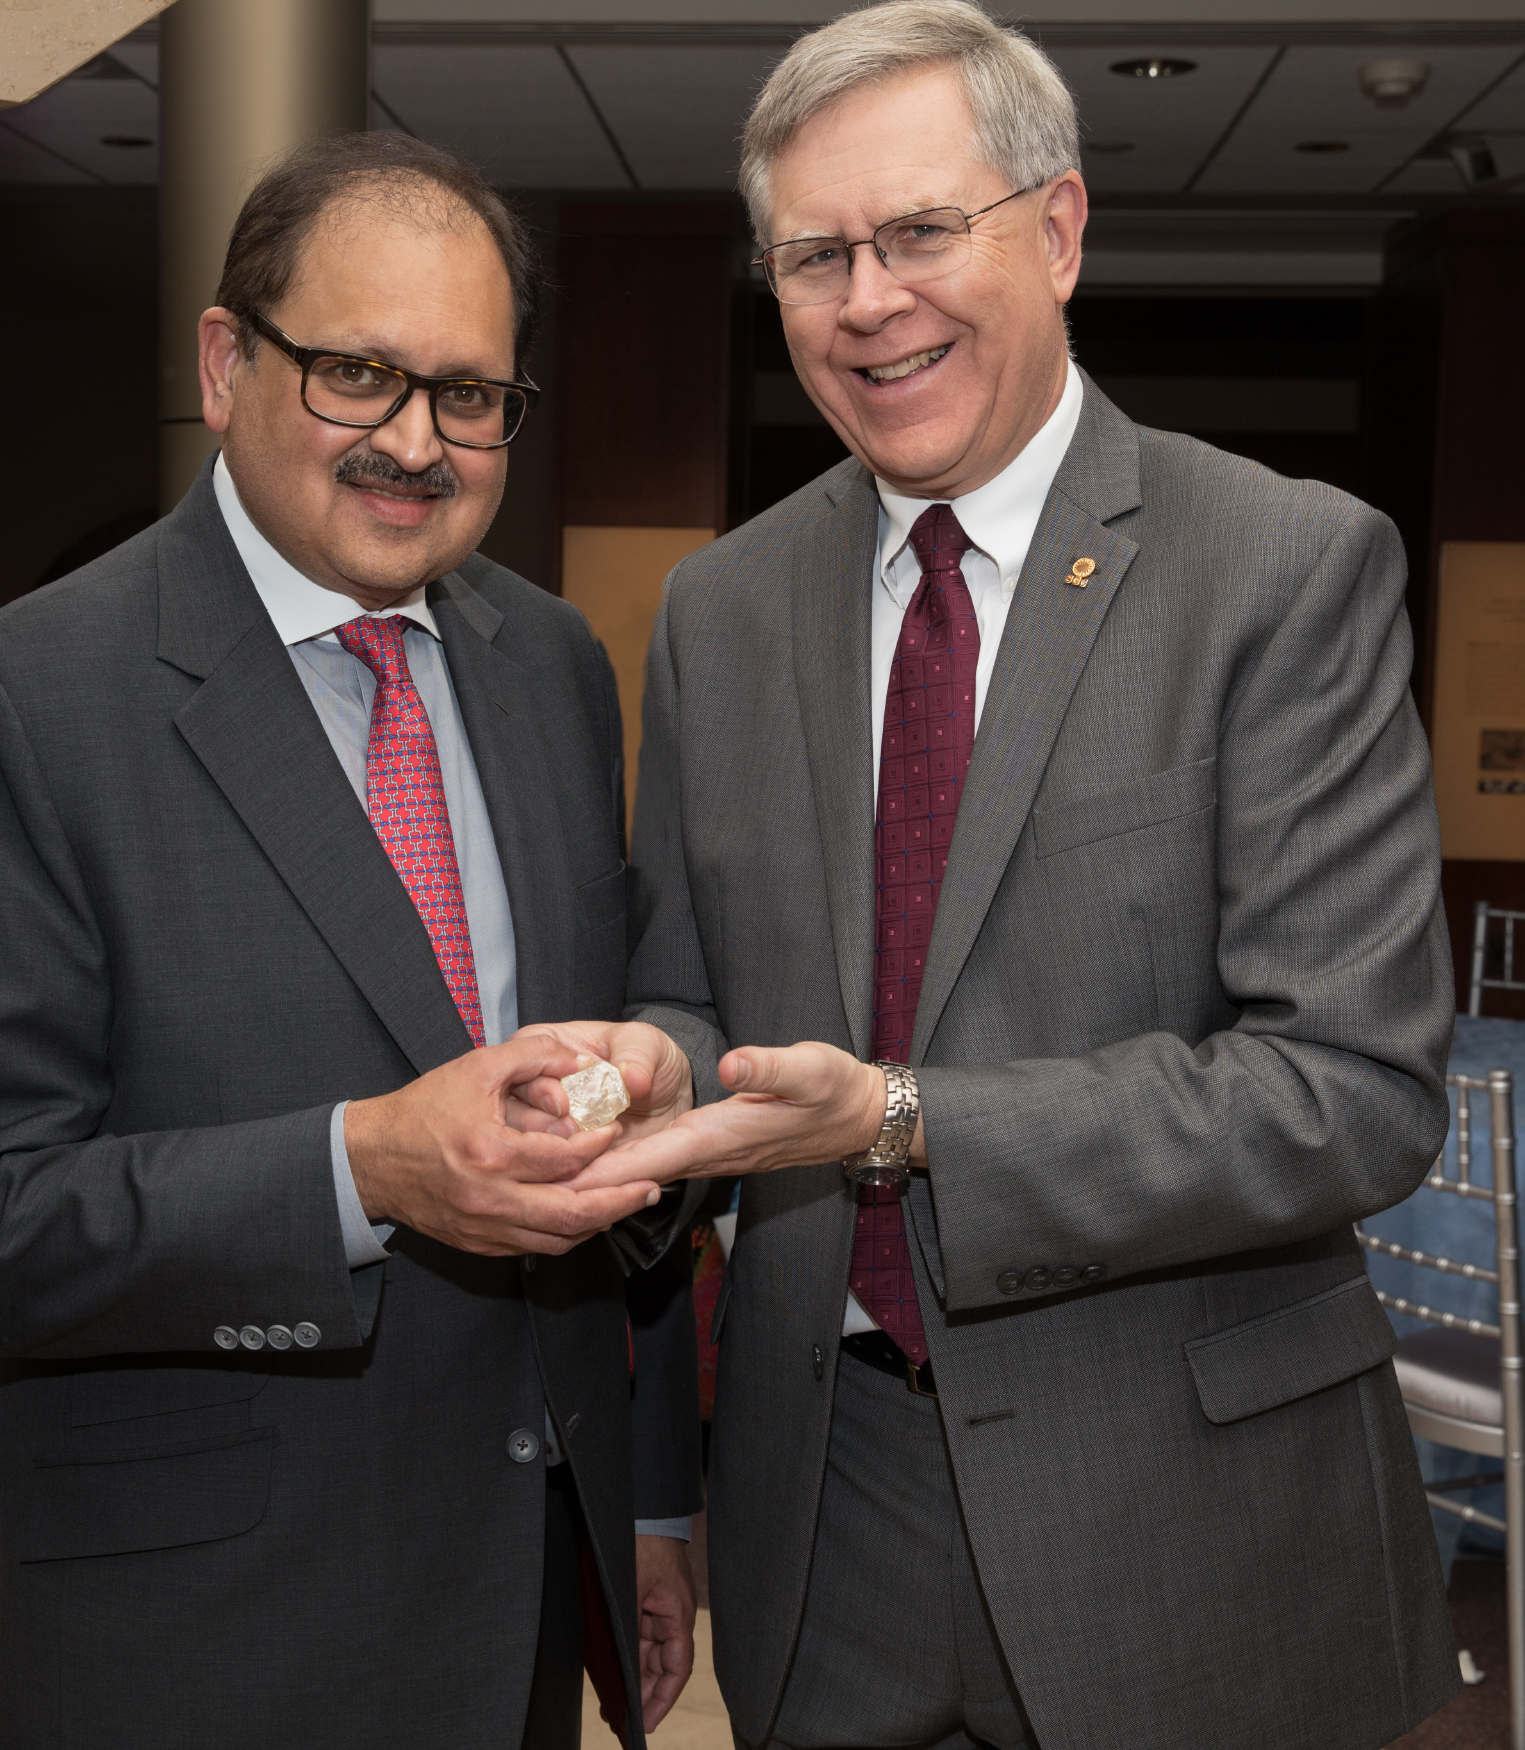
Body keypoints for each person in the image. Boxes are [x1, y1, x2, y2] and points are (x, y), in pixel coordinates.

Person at [565, 3, 1461, 1745]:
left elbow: (1350, 1093)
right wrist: (648, 1070)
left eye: (919, 230)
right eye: (814, 255)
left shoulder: (1282, 567)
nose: (868, 300)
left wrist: (908, 1119)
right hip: (826, 1515)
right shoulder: (718, 611)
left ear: (1057, 232)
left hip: (1188, 1517)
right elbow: (688, 986)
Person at [0, 131, 700, 1750]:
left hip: (510, 1605)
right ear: (226, 365)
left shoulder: (552, 664)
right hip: (185, 1647)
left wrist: (642, 1498)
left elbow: (605, 1066)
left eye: (469, 394)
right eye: (359, 373)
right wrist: (365, 1170)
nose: (416, 442)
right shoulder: (24, 696)